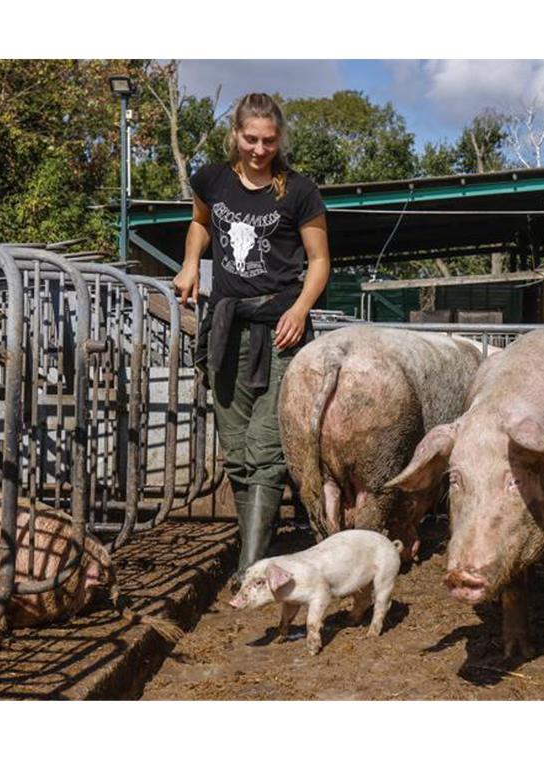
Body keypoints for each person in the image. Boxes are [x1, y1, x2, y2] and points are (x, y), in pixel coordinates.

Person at [173, 93, 330, 588]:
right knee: (237, 447)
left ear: (279, 139)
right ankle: (253, 551)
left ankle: (249, 567)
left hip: (279, 331)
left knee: (265, 447)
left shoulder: (299, 191)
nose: (260, 149)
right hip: (226, 326)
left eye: (269, 140)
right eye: (251, 139)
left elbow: (320, 262)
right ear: (235, 135)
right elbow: (200, 223)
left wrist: (300, 308)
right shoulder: (213, 179)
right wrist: (190, 264)